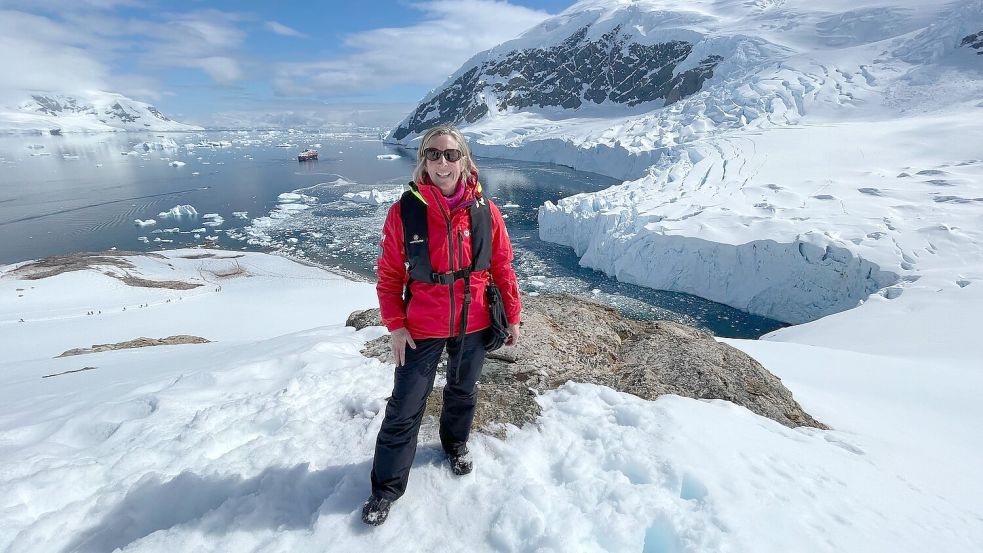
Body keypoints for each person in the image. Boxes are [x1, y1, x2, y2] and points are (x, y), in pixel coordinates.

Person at [361, 125, 522, 526]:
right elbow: (389, 275)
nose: (442, 162)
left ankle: (455, 444)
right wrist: (395, 325)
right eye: (433, 154)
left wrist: (513, 315)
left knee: (462, 391)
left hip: (474, 319)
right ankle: (386, 488)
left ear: (465, 161)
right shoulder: (405, 212)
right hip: (422, 326)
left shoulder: (485, 210)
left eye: (451, 155)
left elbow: (501, 265)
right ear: (423, 161)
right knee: (405, 406)